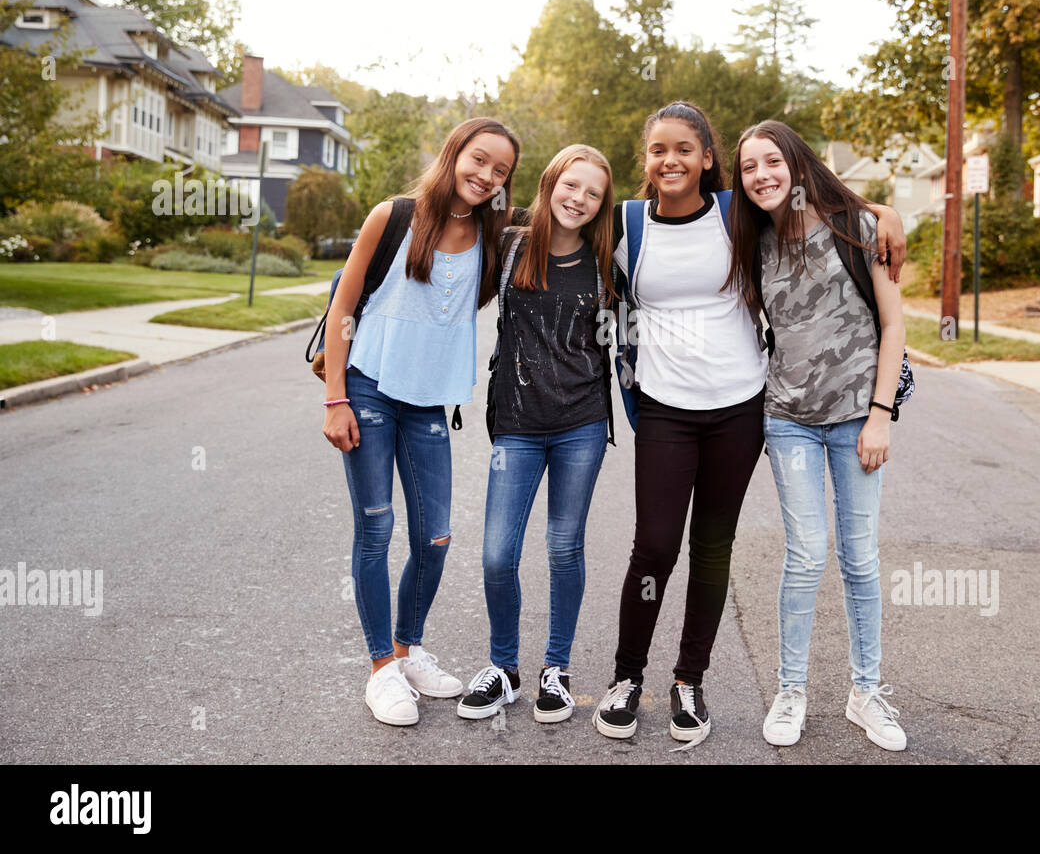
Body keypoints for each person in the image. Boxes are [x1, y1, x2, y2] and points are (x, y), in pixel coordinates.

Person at [593, 100, 907, 749]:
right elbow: (552, 232)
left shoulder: (737, 212)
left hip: (740, 408)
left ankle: (689, 682)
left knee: (715, 548)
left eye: (686, 148)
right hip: (666, 409)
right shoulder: (626, 224)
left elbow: (816, 197)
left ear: (708, 158)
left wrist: (883, 212)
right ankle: (627, 679)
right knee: (655, 545)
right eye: (658, 150)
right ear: (646, 160)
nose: (671, 160)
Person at [322, 117, 520, 726]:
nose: (485, 176)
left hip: (428, 403)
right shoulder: (394, 216)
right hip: (370, 388)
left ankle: (407, 650)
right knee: (376, 531)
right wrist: (335, 397)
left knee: (434, 539)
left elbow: (567, 224)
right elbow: (343, 307)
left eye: (500, 171)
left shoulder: (494, 235)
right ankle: (381, 669)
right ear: (454, 152)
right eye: (478, 160)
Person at [727, 119, 908, 751]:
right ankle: (792, 690)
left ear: (797, 163)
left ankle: (866, 692)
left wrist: (881, 414)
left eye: (771, 161)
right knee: (806, 556)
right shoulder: (751, 239)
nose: (761, 176)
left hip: (859, 419)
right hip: (788, 420)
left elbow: (893, 325)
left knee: (860, 558)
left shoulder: (857, 230)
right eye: (749, 168)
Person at [456, 145, 617, 724]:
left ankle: (556, 669)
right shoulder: (511, 245)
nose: (578, 199)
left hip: (582, 426)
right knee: (498, 554)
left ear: (603, 205)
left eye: (592, 193)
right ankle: (504, 669)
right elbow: (437, 229)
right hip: (517, 428)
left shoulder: (608, 259)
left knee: (563, 546)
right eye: (570, 185)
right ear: (550, 184)